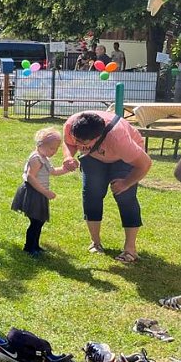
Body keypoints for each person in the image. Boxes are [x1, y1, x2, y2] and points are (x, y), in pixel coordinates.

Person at [62, 111, 153, 263]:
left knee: (125, 197)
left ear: (98, 137)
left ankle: (130, 249)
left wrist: (126, 183)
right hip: (94, 157)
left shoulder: (119, 139)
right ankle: (95, 243)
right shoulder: (72, 125)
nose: (79, 145)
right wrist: (68, 156)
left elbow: (145, 164)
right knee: (92, 193)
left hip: (123, 158)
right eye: (77, 140)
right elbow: (69, 143)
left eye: (83, 143)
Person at [11, 128, 69, 257]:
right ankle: (29, 247)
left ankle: (35, 245)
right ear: (40, 145)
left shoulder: (44, 158)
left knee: (39, 221)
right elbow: (31, 177)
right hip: (33, 192)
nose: (54, 151)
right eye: (51, 148)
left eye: (56, 149)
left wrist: (66, 169)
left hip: (40, 193)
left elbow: (53, 172)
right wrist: (45, 192)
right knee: (36, 221)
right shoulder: (36, 159)